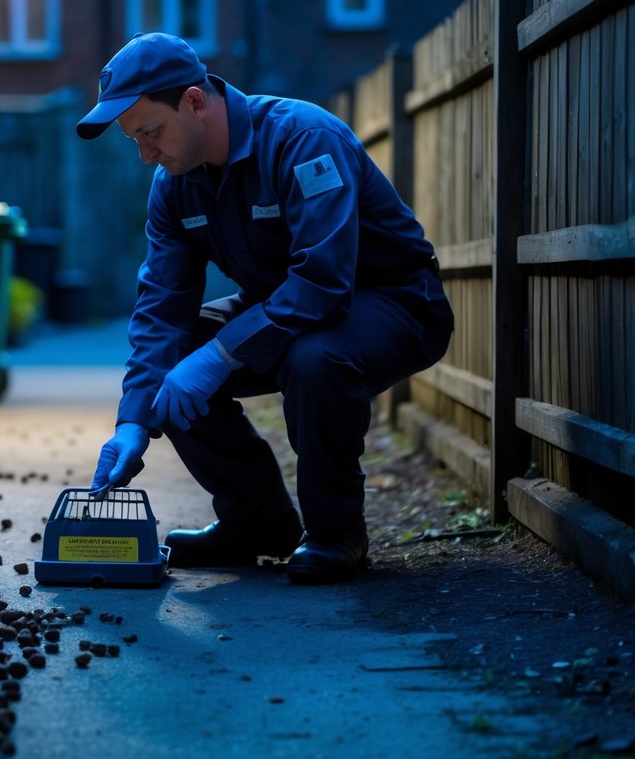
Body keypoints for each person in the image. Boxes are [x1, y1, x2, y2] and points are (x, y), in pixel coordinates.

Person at [76, 32, 454, 584]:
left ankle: (335, 534)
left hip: (393, 301)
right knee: (173, 359)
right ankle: (257, 523)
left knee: (314, 358)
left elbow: (324, 281)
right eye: (135, 141)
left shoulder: (304, 139)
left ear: (195, 102)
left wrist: (219, 357)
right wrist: (133, 420)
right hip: (281, 309)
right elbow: (160, 307)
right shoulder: (174, 186)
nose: (146, 153)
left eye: (151, 133)